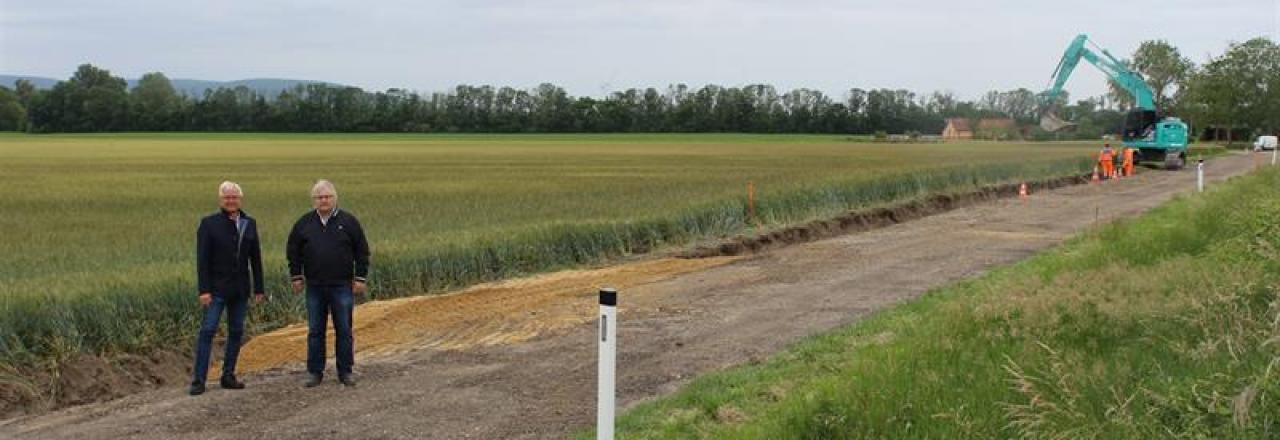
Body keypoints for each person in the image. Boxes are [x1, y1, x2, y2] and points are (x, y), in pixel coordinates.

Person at [287, 179, 370, 388]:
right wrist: (296, 276)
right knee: (315, 330)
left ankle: (345, 371)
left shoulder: (348, 222)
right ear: (314, 200)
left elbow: (362, 251)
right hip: (314, 286)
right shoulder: (304, 223)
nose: (323, 200)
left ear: (335, 198)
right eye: (319, 197)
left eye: (327, 197)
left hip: (341, 285)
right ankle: (315, 372)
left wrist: (360, 277)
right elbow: (293, 250)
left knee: (344, 329)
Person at [191, 181, 266, 396]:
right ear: (221, 200)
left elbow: (256, 258)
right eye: (227, 197)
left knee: (236, 332)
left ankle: (228, 375)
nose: (231, 201)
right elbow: (202, 261)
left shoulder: (249, 223)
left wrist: (259, 288)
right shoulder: (209, 224)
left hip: (240, 290)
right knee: (207, 332)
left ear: (240, 199)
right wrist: (203, 290)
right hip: (216, 290)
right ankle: (199, 380)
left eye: (234, 197)